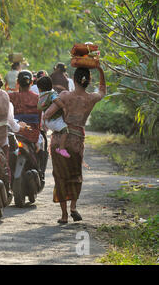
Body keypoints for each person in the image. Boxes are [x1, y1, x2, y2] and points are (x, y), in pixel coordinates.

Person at [44, 65, 106, 224]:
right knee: (75, 175)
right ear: (88, 81)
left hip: (59, 142)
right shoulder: (91, 98)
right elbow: (103, 91)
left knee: (60, 176)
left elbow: (47, 114)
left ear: (74, 78)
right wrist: (100, 70)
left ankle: (64, 215)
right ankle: (73, 207)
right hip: (77, 142)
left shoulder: (64, 96)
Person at [37, 76, 70, 158]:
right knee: (65, 131)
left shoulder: (40, 96)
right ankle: (61, 148)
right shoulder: (51, 94)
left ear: (39, 88)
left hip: (46, 121)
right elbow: (56, 100)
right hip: (54, 120)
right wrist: (63, 107)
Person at [9, 71, 42, 145]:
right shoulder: (38, 98)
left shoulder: (10, 97)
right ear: (31, 82)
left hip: (14, 135)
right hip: (33, 136)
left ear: (17, 82)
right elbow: (39, 121)